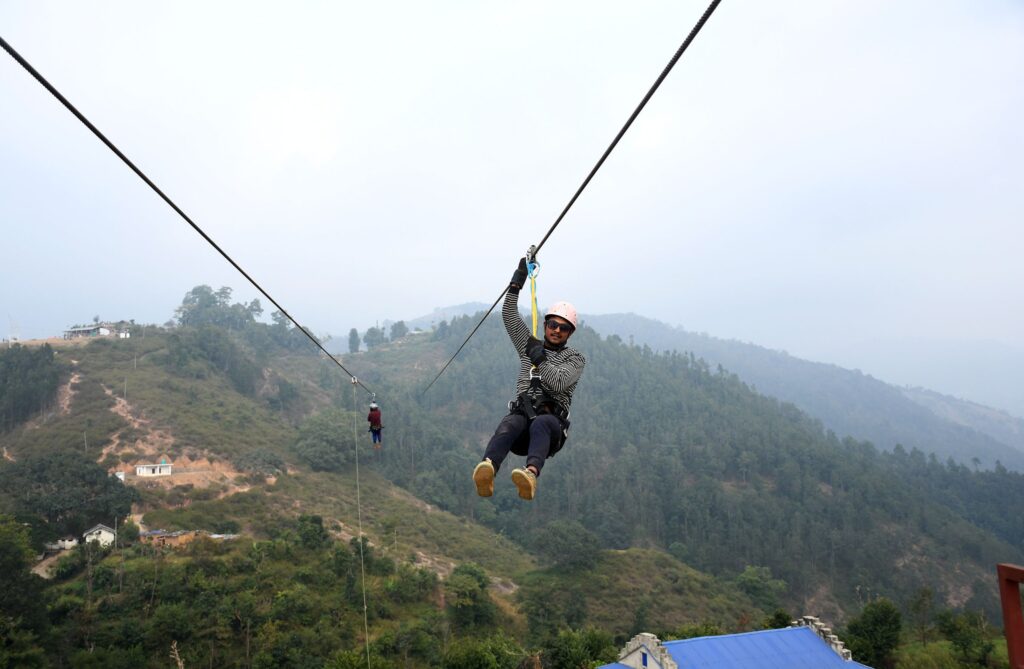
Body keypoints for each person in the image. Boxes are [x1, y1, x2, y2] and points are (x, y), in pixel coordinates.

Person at [472, 257, 586, 500]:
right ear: (545, 325)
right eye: (553, 324)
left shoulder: (575, 358)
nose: (556, 330)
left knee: (542, 423)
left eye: (563, 328)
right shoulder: (529, 344)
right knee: (510, 423)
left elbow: (557, 382)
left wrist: (540, 358)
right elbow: (509, 315)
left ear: (570, 333)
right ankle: (488, 469)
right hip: (523, 423)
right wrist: (517, 281)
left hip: (549, 429)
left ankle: (531, 475)